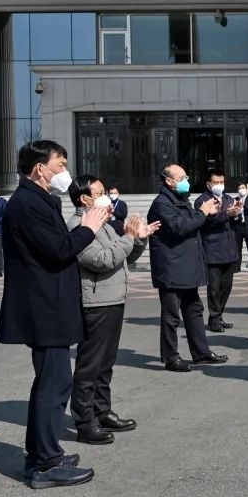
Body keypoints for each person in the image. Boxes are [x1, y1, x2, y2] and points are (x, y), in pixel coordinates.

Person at [0, 140, 109, 489]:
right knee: (54, 384)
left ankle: (43, 454)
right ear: (39, 168)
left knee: (51, 382)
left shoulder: (38, 200)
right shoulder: (28, 203)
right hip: (44, 308)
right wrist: (88, 226)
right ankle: (45, 464)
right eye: (59, 165)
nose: (64, 173)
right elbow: (59, 251)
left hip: (50, 305)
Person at [66, 174, 159, 445]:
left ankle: (102, 410)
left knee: (106, 362)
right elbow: (103, 260)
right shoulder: (79, 225)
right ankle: (84, 421)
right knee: (90, 364)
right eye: (99, 193)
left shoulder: (104, 224)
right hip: (95, 302)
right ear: (84, 199)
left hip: (113, 298)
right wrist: (128, 237)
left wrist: (139, 239)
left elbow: (124, 256)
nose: (105, 196)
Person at [147, 164, 229, 372]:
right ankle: (171, 357)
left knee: (194, 309)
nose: (186, 181)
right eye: (182, 178)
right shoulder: (162, 204)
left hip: (188, 265)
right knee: (171, 315)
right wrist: (202, 213)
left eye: (186, 176)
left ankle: (201, 352)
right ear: (169, 181)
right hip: (172, 268)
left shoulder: (181, 200)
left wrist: (207, 214)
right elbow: (180, 228)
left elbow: (193, 223)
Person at [194, 169, 244, 333]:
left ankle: (219, 315)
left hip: (230, 249)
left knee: (226, 286)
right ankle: (214, 318)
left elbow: (235, 224)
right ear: (208, 184)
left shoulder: (228, 198)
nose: (219, 185)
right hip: (213, 250)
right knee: (214, 287)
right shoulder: (202, 200)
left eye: (221, 182)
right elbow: (208, 221)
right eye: (216, 182)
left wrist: (236, 214)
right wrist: (226, 214)